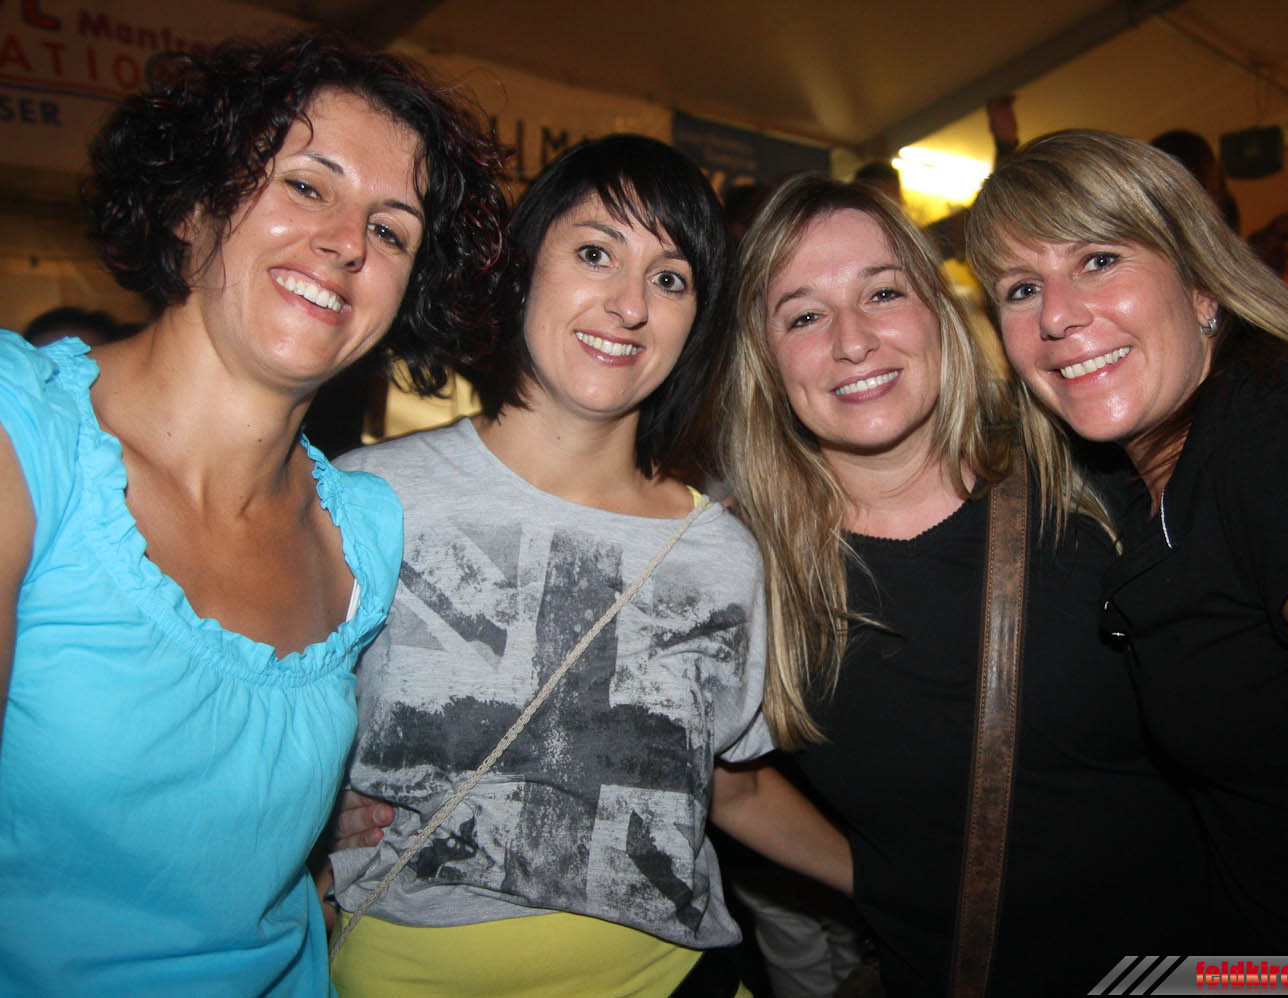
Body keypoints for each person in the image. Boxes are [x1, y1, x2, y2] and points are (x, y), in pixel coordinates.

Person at [0, 31, 509, 994]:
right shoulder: (22, 439)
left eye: (391, 231)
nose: (347, 241)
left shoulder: (362, 534)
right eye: (307, 186)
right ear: (191, 205)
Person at [327, 135, 850, 997]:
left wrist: (906, 888)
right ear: (523, 267)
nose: (629, 305)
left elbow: (733, 791)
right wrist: (308, 819)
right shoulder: (371, 497)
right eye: (596, 253)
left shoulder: (719, 554)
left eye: (670, 278)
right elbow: (264, 735)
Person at [967, 128, 1288, 954]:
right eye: (1021, 288)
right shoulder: (1141, 475)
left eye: (1099, 260)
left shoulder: (1286, 445)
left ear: (1203, 284)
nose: (1058, 316)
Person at [721, 174, 1206, 994]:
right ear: (764, 361)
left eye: (883, 292)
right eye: (803, 315)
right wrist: (881, 884)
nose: (852, 340)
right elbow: (728, 791)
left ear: (938, 312)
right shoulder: (745, 572)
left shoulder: (1088, 489)